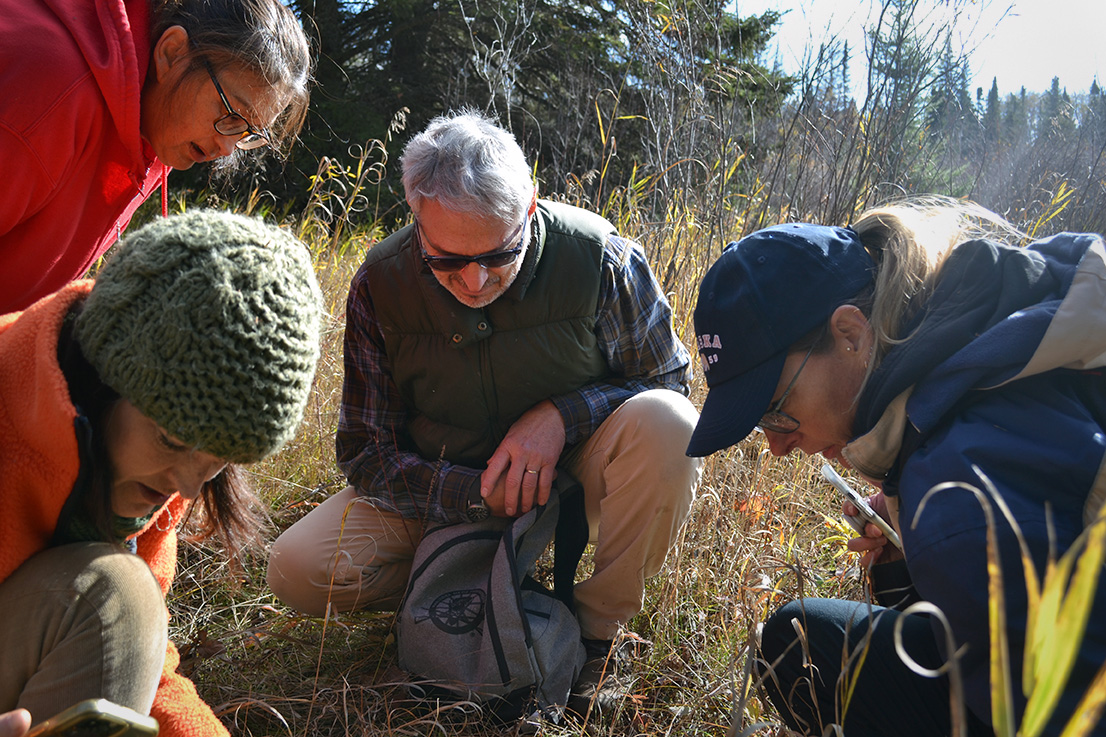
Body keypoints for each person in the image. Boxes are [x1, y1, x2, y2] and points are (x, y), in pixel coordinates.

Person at [267, 110, 702, 713]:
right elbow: (367, 453)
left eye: (499, 255)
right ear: (417, 220)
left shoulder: (601, 259)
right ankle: (457, 593)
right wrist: (474, 494)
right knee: (298, 568)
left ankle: (596, 635)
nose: (474, 281)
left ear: (529, 207)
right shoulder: (379, 284)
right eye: (447, 260)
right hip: (449, 489)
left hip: (575, 483)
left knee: (670, 426)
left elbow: (669, 382)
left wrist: (559, 417)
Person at [686, 197, 1106, 736]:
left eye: (774, 410)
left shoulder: (956, 492)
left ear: (851, 335)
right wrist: (909, 559)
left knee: (799, 649)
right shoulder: (1001, 323)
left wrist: (938, 532)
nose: (777, 447)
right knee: (803, 641)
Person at [0, 210, 323, 737]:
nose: (190, 487)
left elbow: (130, 656)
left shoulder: (153, 477)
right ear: (101, 377)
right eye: (173, 441)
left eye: (218, 460)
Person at [0, 0, 313, 314]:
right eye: (231, 113)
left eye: (249, 132)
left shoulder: (158, 124)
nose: (228, 148)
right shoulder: (51, 91)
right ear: (171, 52)